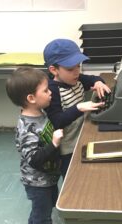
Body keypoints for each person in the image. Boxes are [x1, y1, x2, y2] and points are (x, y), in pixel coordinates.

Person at [43, 38, 111, 178]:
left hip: (81, 136)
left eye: (78, 66)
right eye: (70, 69)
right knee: (73, 178)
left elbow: (92, 79)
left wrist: (98, 82)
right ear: (54, 70)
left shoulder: (76, 78)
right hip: (67, 149)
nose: (76, 72)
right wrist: (78, 108)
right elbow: (57, 121)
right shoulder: (52, 91)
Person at [5, 67, 63, 224]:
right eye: (45, 91)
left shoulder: (40, 113)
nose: (50, 93)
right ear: (31, 98)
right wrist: (54, 143)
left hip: (49, 177)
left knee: (50, 205)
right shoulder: (26, 128)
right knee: (41, 217)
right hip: (37, 182)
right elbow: (34, 159)